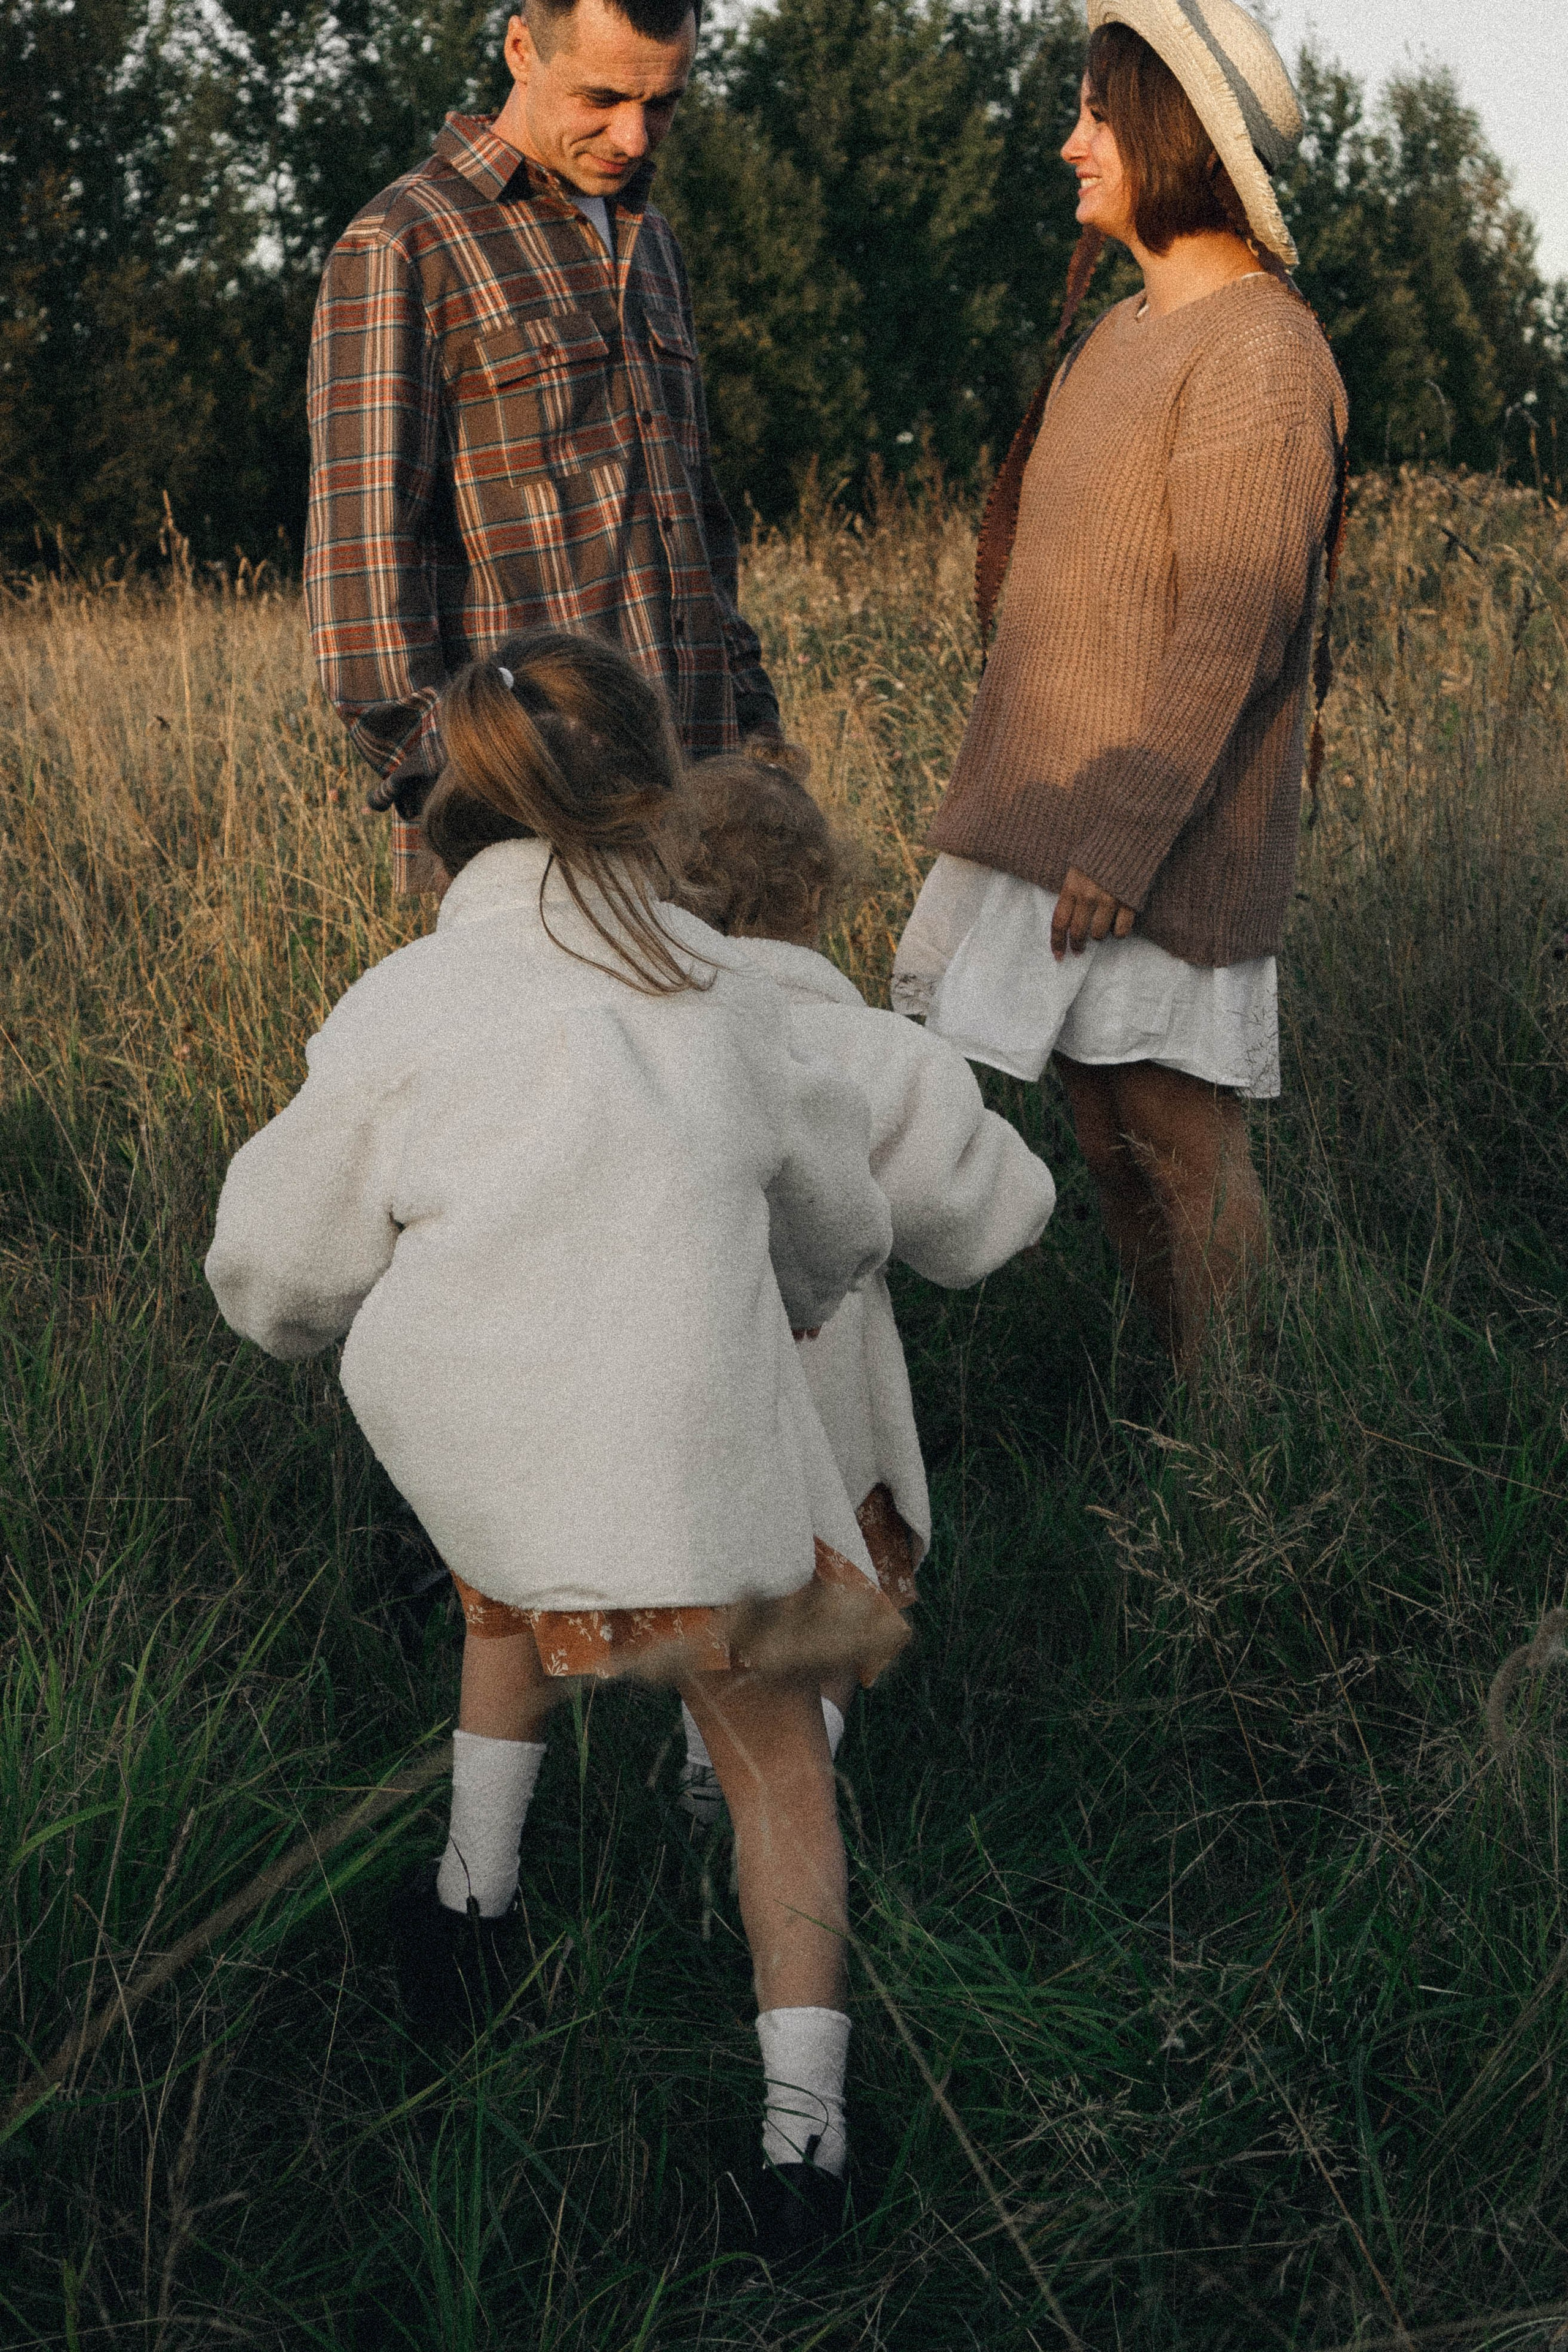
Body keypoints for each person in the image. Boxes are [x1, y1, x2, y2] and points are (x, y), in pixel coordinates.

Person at [204, 631, 899, 2266]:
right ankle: (805, 2148)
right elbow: (834, 1231)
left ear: (453, 805)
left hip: (488, 1464)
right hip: (696, 1481)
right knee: (779, 1765)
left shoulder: (407, 1002)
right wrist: (783, 1290)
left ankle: (472, 1901)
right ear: (654, 789)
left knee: (511, 1571)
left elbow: (276, 1266)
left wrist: (314, 1323)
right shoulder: (725, 993)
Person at [892, 0, 1348, 1373]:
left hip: (1154, 827)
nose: (1067, 144)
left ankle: (1243, 1449)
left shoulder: (1257, 352)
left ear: (1168, 134)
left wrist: (1131, 824)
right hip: (1073, 825)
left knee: (1176, 1135)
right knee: (1104, 1124)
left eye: (1096, 113)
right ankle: (1183, 1399)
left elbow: (1233, 615)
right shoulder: (1125, 333)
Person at [304, 0, 780, 895]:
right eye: (600, 97)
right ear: (522, 49)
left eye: (664, 102)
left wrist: (755, 738)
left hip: (704, 798)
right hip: (532, 823)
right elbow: (361, 560)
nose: (634, 137)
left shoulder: (655, 243)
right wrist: (462, 781)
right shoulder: (404, 242)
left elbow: (699, 523)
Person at [669, 752, 1058, 1822]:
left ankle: (710, 1742)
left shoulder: (634, 1036)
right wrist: (1021, 1216)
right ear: (816, 895)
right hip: (826, 1390)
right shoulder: (877, 1054)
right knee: (833, 1596)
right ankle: (784, 1752)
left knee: (706, 1581)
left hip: (672, 1389)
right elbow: (967, 1200)